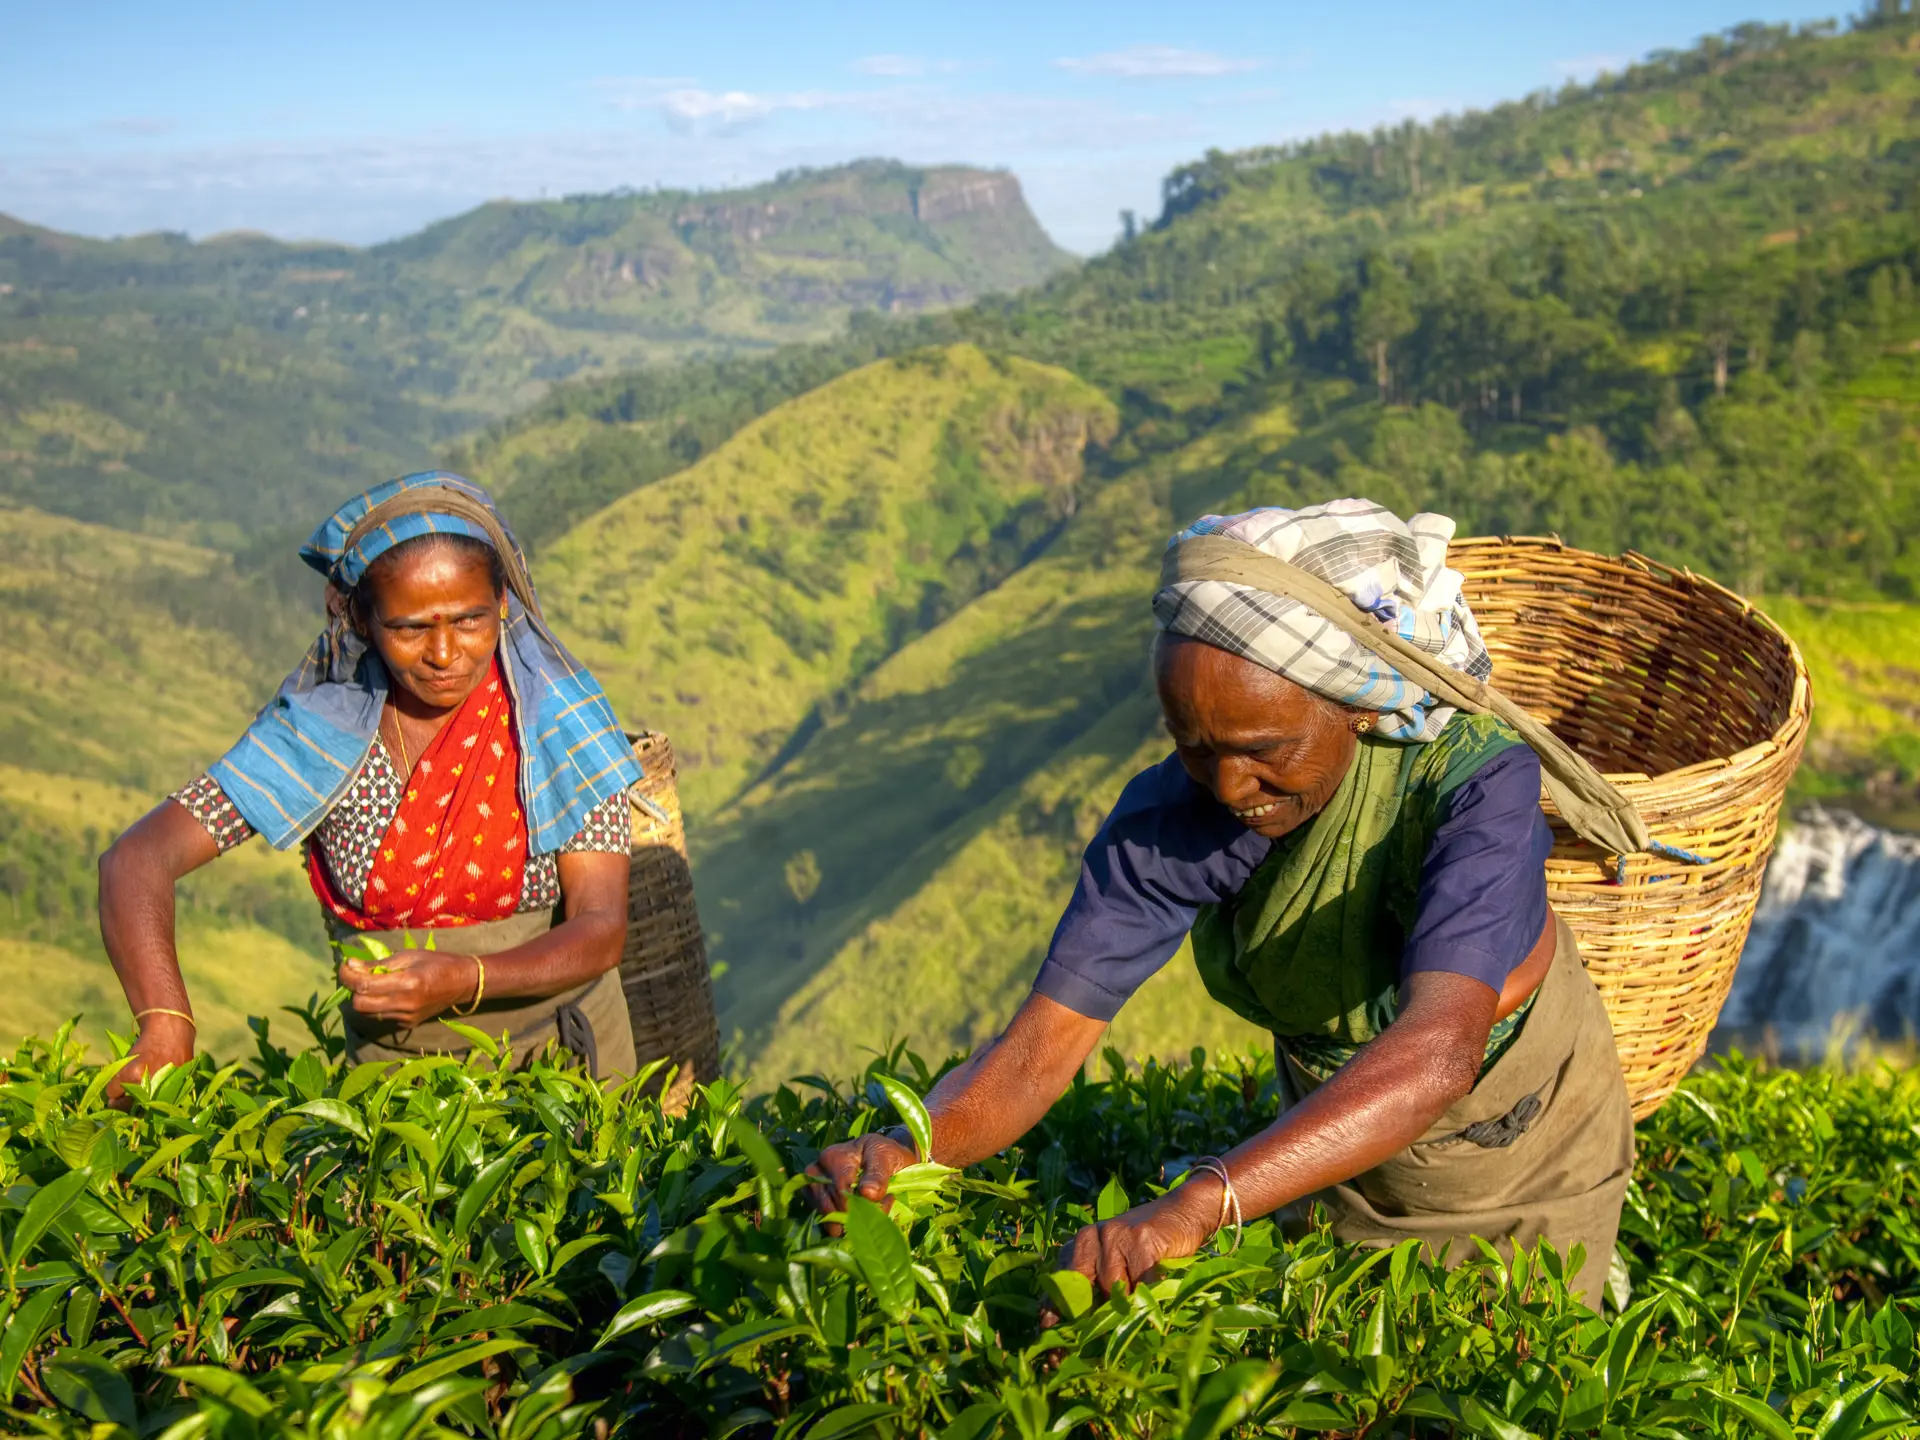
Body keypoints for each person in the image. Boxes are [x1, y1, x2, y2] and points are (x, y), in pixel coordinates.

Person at [808, 499, 1639, 1303]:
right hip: (1337, 1129)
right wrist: (908, 1146)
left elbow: (1437, 1051)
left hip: (1524, 1130)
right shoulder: (1172, 817)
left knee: (1529, 1344)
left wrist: (1200, 1203)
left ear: (1354, 703)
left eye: (1264, 750)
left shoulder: (1475, 783)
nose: (1231, 785)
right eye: (1194, 748)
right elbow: (1039, 1049)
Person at [99, 472, 645, 1089]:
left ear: (502, 605)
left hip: (568, 1065)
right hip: (394, 1087)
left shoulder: (557, 720)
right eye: (410, 628)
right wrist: (166, 1023)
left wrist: (467, 978)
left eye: (469, 621)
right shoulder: (323, 734)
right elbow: (136, 860)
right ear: (360, 619)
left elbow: (601, 931)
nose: (444, 653)